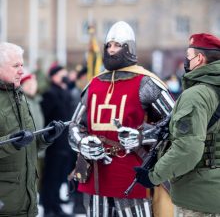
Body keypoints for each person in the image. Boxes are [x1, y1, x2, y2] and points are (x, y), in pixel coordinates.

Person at [68, 21, 174, 216]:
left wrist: (142, 136)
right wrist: (83, 142)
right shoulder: (94, 84)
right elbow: (75, 125)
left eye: (117, 45)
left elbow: (176, 122)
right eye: (109, 45)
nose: (111, 50)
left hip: (132, 173)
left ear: (129, 48)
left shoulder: (147, 82)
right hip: (96, 173)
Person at [134, 33, 220, 217]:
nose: (186, 62)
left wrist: (153, 176)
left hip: (199, 199)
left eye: (188, 57)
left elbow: (187, 149)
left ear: (199, 58)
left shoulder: (196, 95)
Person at [0, 42, 65, 217]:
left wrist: (46, 138)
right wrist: (13, 144)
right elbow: (15, 144)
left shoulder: (19, 96)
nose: (22, 71)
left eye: (22, 65)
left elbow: (29, 146)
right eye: (15, 66)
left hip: (27, 203)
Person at [40, 65, 75, 217]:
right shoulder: (50, 93)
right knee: (51, 176)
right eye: (61, 74)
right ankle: (48, 207)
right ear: (54, 76)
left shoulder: (64, 91)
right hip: (54, 143)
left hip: (65, 142)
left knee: (60, 175)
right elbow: (45, 118)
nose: (65, 76)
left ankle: (56, 204)